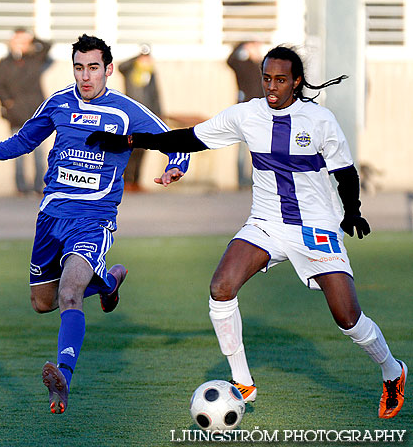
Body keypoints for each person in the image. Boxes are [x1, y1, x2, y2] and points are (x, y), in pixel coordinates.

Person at [86, 45, 407, 419]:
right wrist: (129, 141)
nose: (272, 87)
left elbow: (346, 171)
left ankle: (392, 370)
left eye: (281, 80)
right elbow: (189, 138)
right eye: (267, 78)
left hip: (315, 227)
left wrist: (352, 211)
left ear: (297, 81)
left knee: (347, 318)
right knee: (221, 287)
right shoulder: (247, 115)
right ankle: (243, 382)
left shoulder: (319, 120)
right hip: (266, 223)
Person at [0, 34, 189, 414]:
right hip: (51, 218)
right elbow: (25, 140)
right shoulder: (59, 103)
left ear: (108, 69)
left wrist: (176, 164)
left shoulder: (126, 111)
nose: (85, 76)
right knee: (42, 302)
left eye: (93, 68)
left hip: (93, 220)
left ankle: (63, 379)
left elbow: (174, 139)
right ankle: (108, 282)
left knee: (70, 293)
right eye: (79, 67)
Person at [0, 28, 52, 195]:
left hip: (36, 111)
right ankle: (21, 187)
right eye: (16, 41)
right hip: (16, 113)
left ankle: (38, 186)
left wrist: (32, 37)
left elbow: (48, 46)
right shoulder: (5, 62)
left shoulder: (35, 59)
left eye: (23, 41)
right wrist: (7, 102)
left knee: (39, 152)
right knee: (18, 151)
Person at [118, 43, 161, 192]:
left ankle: (136, 181)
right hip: (131, 115)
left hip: (146, 116)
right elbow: (120, 67)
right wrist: (136, 58)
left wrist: (158, 113)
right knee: (131, 147)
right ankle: (127, 181)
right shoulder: (130, 69)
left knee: (143, 148)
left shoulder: (150, 72)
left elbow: (156, 94)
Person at [227, 41, 264, 189]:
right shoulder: (243, 65)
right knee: (243, 146)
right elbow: (230, 61)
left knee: (258, 147)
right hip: (244, 111)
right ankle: (241, 180)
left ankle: (257, 178)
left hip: (261, 111)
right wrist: (242, 44)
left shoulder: (262, 66)